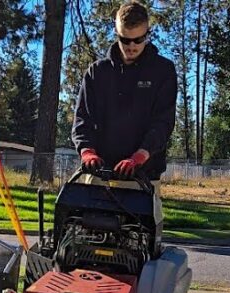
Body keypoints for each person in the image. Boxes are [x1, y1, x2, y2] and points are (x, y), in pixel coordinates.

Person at [72, 1, 178, 181]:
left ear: (147, 34)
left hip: (143, 176)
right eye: (125, 39)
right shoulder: (97, 72)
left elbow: (163, 122)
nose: (132, 46)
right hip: (99, 173)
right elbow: (83, 118)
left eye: (138, 39)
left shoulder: (163, 71)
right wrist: (87, 151)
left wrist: (141, 155)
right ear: (116, 34)